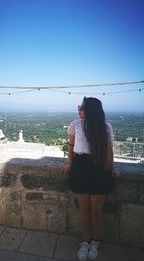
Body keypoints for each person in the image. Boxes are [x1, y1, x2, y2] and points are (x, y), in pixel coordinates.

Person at [62, 97, 120, 261]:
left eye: (81, 106)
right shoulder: (75, 125)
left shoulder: (105, 127)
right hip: (80, 167)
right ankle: (85, 243)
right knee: (84, 208)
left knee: (96, 211)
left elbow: (109, 151)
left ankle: (95, 243)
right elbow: (71, 148)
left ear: (90, 110)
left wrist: (112, 168)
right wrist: (69, 164)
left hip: (99, 168)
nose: (78, 108)